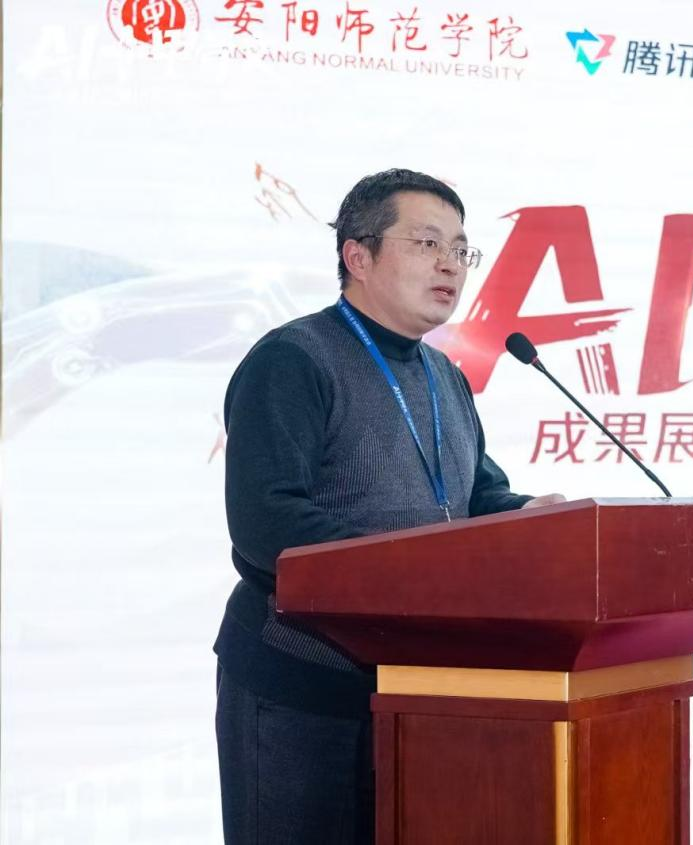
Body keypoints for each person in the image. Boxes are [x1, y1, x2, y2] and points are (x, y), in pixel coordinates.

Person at [213, 169, 562, 844]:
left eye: (460, 249)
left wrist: (530, 516)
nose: (450, 265)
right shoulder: (293, 359)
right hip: (302, 684)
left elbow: (473, 496)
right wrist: (414, 568)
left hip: (420, 688)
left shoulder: (444, 375)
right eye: (427, 243)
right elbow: (266, 520)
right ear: (358, 256)